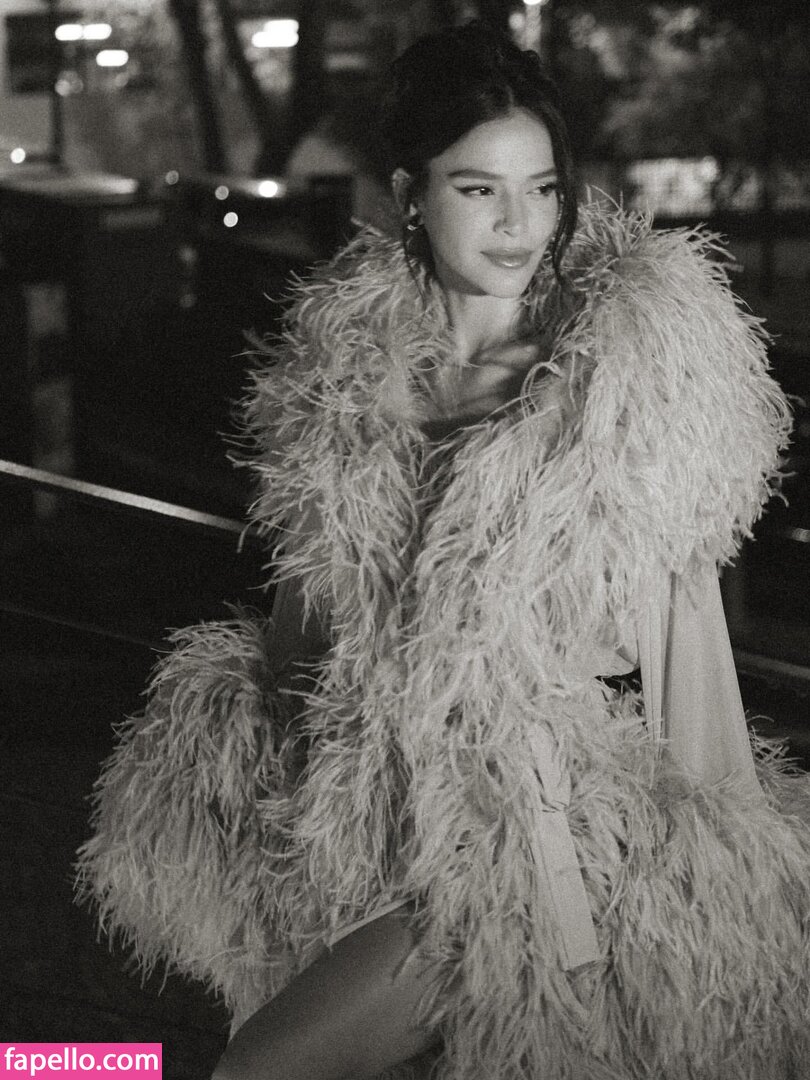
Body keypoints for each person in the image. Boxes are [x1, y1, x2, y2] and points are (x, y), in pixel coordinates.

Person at [76, 22, 810, 1080]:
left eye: (542, 189)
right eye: (480, 189)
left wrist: (723, 897)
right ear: (411, 194)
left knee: (256, 1070)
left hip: (518, 844)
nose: (520, 224)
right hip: (361, 822)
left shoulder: (624, 387)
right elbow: (305, 627)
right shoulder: (342, 382)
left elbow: (691, 650)